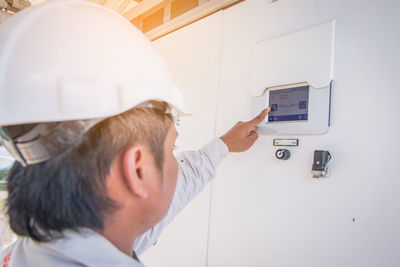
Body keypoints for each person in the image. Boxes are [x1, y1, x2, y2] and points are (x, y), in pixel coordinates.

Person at [0, 0, 270, 266]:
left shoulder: (25, 252)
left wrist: (224, 145)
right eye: (172, 149)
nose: (175, 163)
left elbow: (176, 185)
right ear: (138, 169)